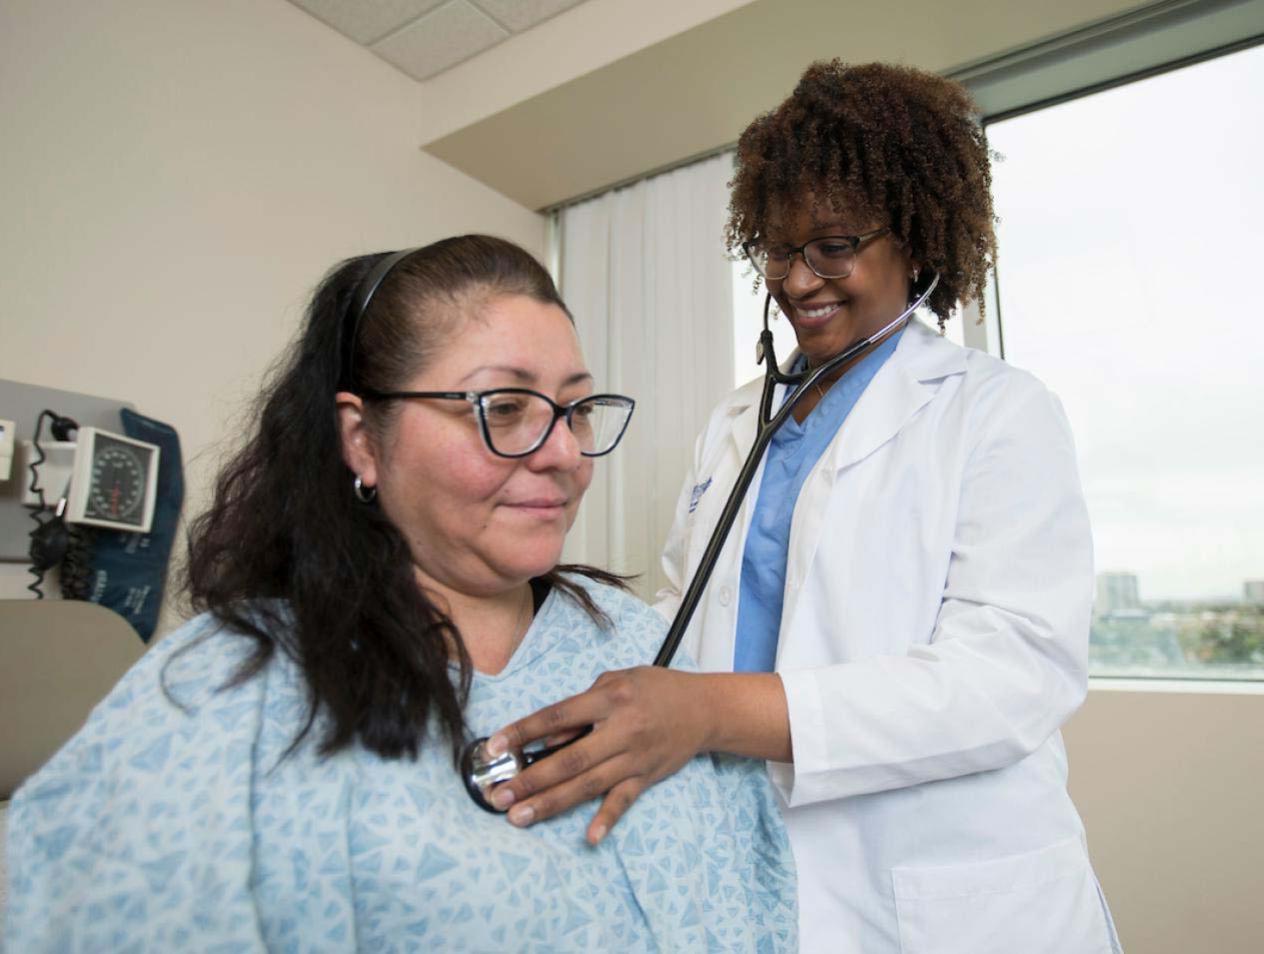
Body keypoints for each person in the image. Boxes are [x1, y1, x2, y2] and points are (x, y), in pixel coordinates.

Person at [480, 64, 1123, 953]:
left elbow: (1013, 675)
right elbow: (684, 609)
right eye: (777, 249)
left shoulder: (996, 411)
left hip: (948, 897)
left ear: (917, 239)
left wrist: (711, 712)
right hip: (759, 861)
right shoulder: (740, 417)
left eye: (833, 244)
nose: (796, 278)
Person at [3, 235, 797, 951]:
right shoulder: (229, 690)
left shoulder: (633, 645)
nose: (565, 453)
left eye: (577, 410)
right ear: (362, 440)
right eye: (506, 408)